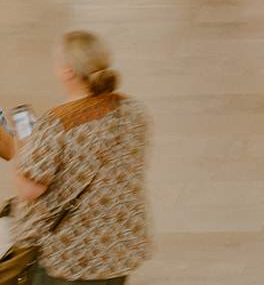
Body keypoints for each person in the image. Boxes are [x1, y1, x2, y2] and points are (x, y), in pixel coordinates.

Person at [0, 31, 153, 285]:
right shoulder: (133, 109)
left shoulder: (58, 122)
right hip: (119, 247)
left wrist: (25, 149)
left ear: (68, 71)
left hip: (71, 257)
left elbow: (30, 188)